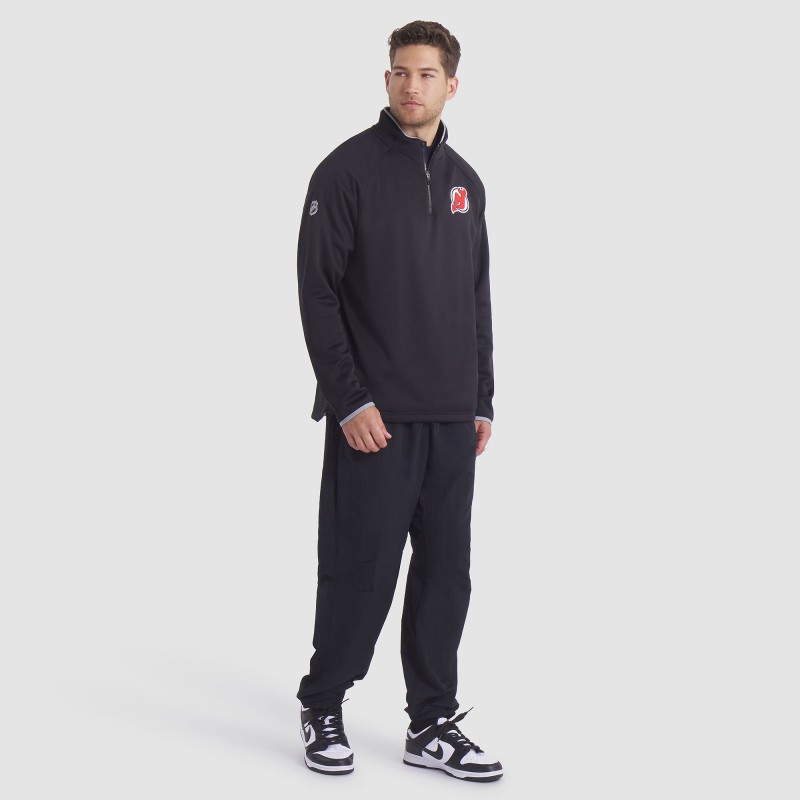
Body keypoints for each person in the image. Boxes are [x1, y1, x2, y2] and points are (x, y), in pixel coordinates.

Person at [295, 20, 502, 782]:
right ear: (387, 80)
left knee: (447, 574)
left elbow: (476, 296)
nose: (412, 85)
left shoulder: (467, 183)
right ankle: (323, 702)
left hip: (450, 419)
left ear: (452, 84)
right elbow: (317, 293)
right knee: (361, 568)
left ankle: (431, 723)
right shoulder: (344, 173)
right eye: (400, 72)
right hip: (374, 420)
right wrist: (349, 400)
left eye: (426, 74)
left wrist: (481, 399)